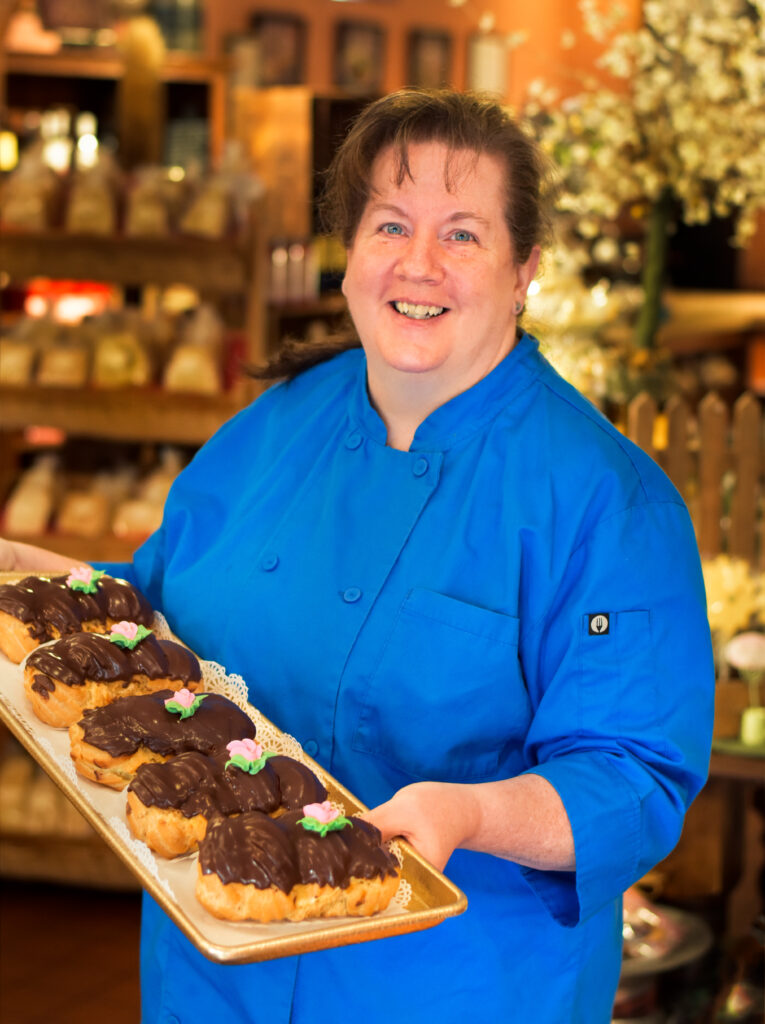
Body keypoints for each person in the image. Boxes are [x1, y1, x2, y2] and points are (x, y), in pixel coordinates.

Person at [2, 90, 715, 1023]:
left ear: (525, 268)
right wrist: (29, 572)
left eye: (462, 233)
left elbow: (632, 774)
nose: (418, 264)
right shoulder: (274, 426)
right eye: (390, 224)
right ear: (349, 253)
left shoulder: (604, 499)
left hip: (446, 985)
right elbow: (152, 615)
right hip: (214, 975)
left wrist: (468, 814)